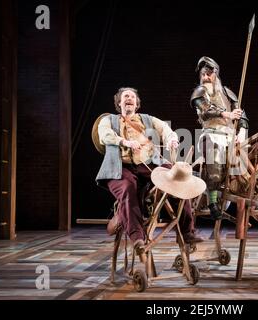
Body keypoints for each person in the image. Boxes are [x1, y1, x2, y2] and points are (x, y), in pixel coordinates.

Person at [95, 87, 203, 253]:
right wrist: (125, 142)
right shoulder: (108, 120)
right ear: (119, 102)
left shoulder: (147, 119)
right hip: (120, 167)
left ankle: (187, 232)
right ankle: (137, 238)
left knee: (178, 178)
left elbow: (165, 130)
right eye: (125, 96)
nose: (129, 98)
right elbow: (104, 135)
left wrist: (172, 139)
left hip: (147, 164)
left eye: (132, 96)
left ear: (137, 103)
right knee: (127, 189)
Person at [190, 57, 249, 220]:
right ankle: (213, 203)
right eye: (203, 75)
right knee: (215, 166)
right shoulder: (199, 93)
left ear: (216, 74)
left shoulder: (228, 93)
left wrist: (242, 132)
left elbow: (242, 114)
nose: (206, 77)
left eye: (209, 74)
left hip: (231, 137)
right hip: (211, 134)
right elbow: (205, 109)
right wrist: (226, 114)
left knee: (248, 162)